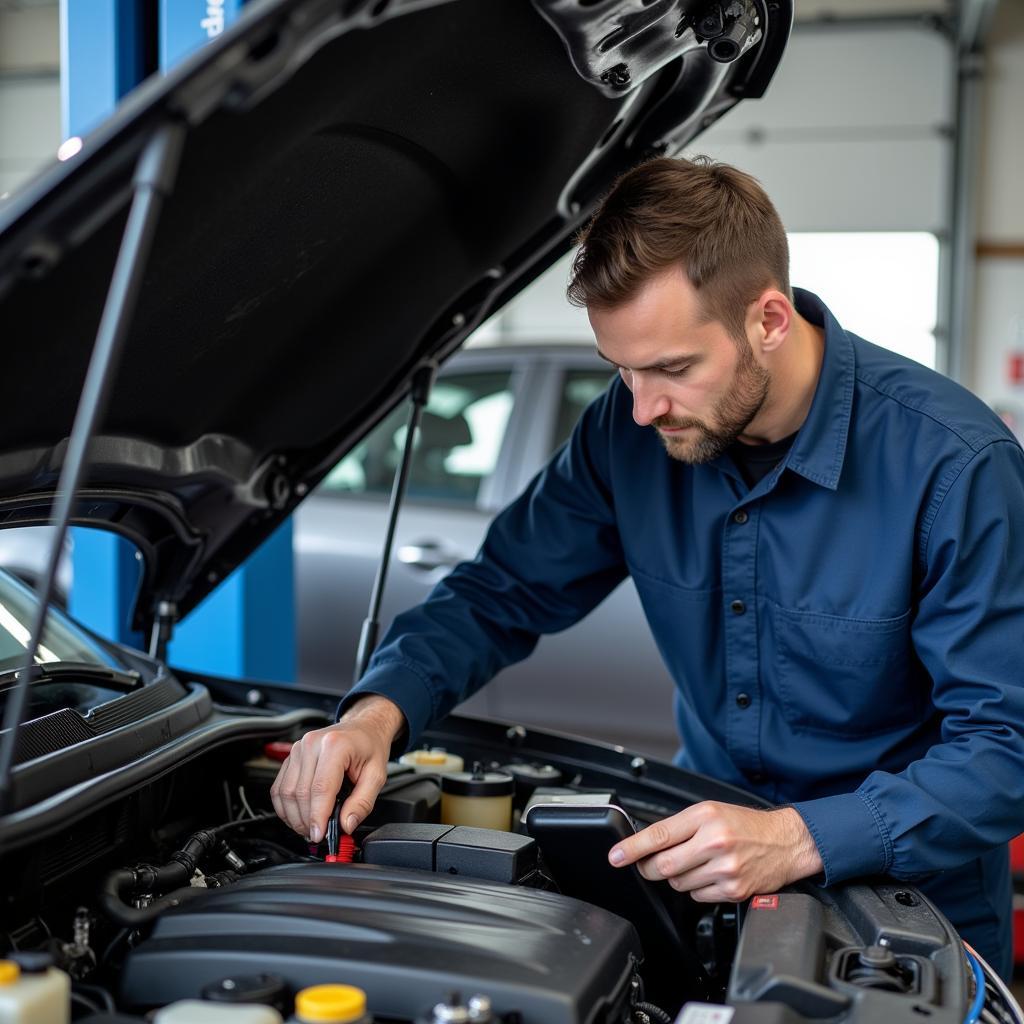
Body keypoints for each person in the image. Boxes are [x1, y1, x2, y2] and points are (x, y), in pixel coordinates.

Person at [271, 156, 1024, 977]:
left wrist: (801, 836)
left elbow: (1005, 745)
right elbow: (498, 592)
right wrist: (374, 715)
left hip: (914, 915)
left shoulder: (956, 467)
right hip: (705, 871)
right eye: (621, 369)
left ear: (768, 319)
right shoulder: (625, 436)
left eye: (672, 368)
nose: (642, 408)